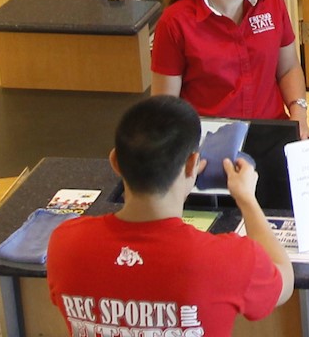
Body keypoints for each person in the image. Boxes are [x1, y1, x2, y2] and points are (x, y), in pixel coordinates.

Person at [47, 95, 294, 335]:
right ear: (192, 164)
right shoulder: (228, 258)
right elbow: (283, 280)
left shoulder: (64, 243)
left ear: (115, 161)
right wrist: (247, 200)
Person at [152, 0, 309, 137]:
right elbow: (165, 106)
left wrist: (299, 115)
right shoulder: (175, 22)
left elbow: (288, 68)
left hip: (270, 132)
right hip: (209, 140)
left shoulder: (272, 2)